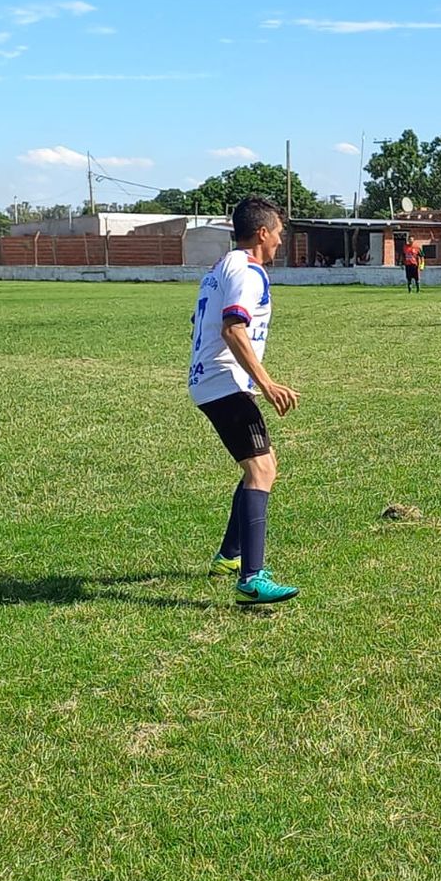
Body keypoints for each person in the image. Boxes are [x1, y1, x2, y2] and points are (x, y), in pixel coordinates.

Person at [188, 196, 302, 604]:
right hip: (224, 382)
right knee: (261, 470)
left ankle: (229, 556)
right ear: (262, 232)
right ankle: (251, 580)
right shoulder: (248, 272)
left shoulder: (221, 267)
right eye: (279, 234)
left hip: (212, 380)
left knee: (260, 465)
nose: (280, 242)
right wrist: (268, 384)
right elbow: (232, 329)